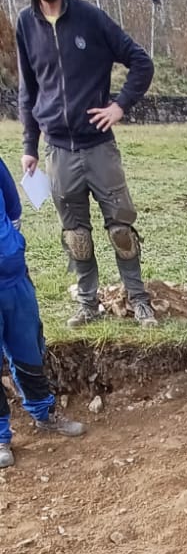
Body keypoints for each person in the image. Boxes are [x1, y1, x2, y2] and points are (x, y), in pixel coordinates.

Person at [16, 0, 157, 329]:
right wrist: (30, 146)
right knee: (75, 235)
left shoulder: (91, 19)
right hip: (58, 151)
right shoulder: (25, 25)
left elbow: (141, 62)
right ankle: (87, 303)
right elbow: (28, 90)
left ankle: (138, 299)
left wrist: (119, 106)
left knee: (121, 229)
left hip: (99, 147)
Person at [0, 154, 85, 468]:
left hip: (14, 280)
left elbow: (13, 207)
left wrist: (12, 247)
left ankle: (44, 413)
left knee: (28, 350)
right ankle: (1, 436)